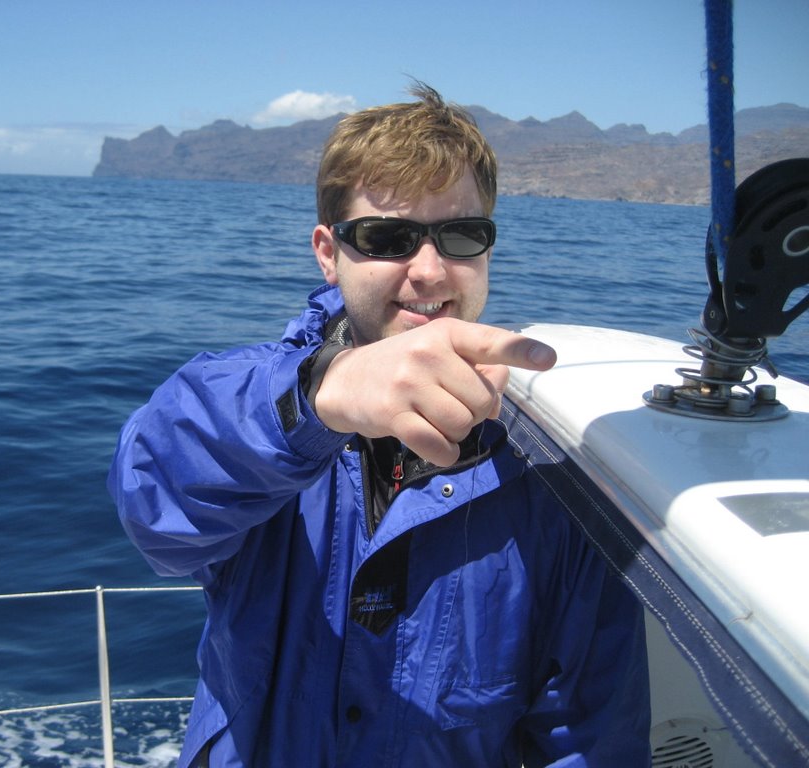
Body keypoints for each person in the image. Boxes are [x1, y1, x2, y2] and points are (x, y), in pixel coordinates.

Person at [107, 82, 651, 767]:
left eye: (461, 235)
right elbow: (153, 508)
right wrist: (317, 400)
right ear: (328, 252)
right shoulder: (256, 403)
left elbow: (589, 739)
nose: (430, 271)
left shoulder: (555, 481)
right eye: (388, 238)